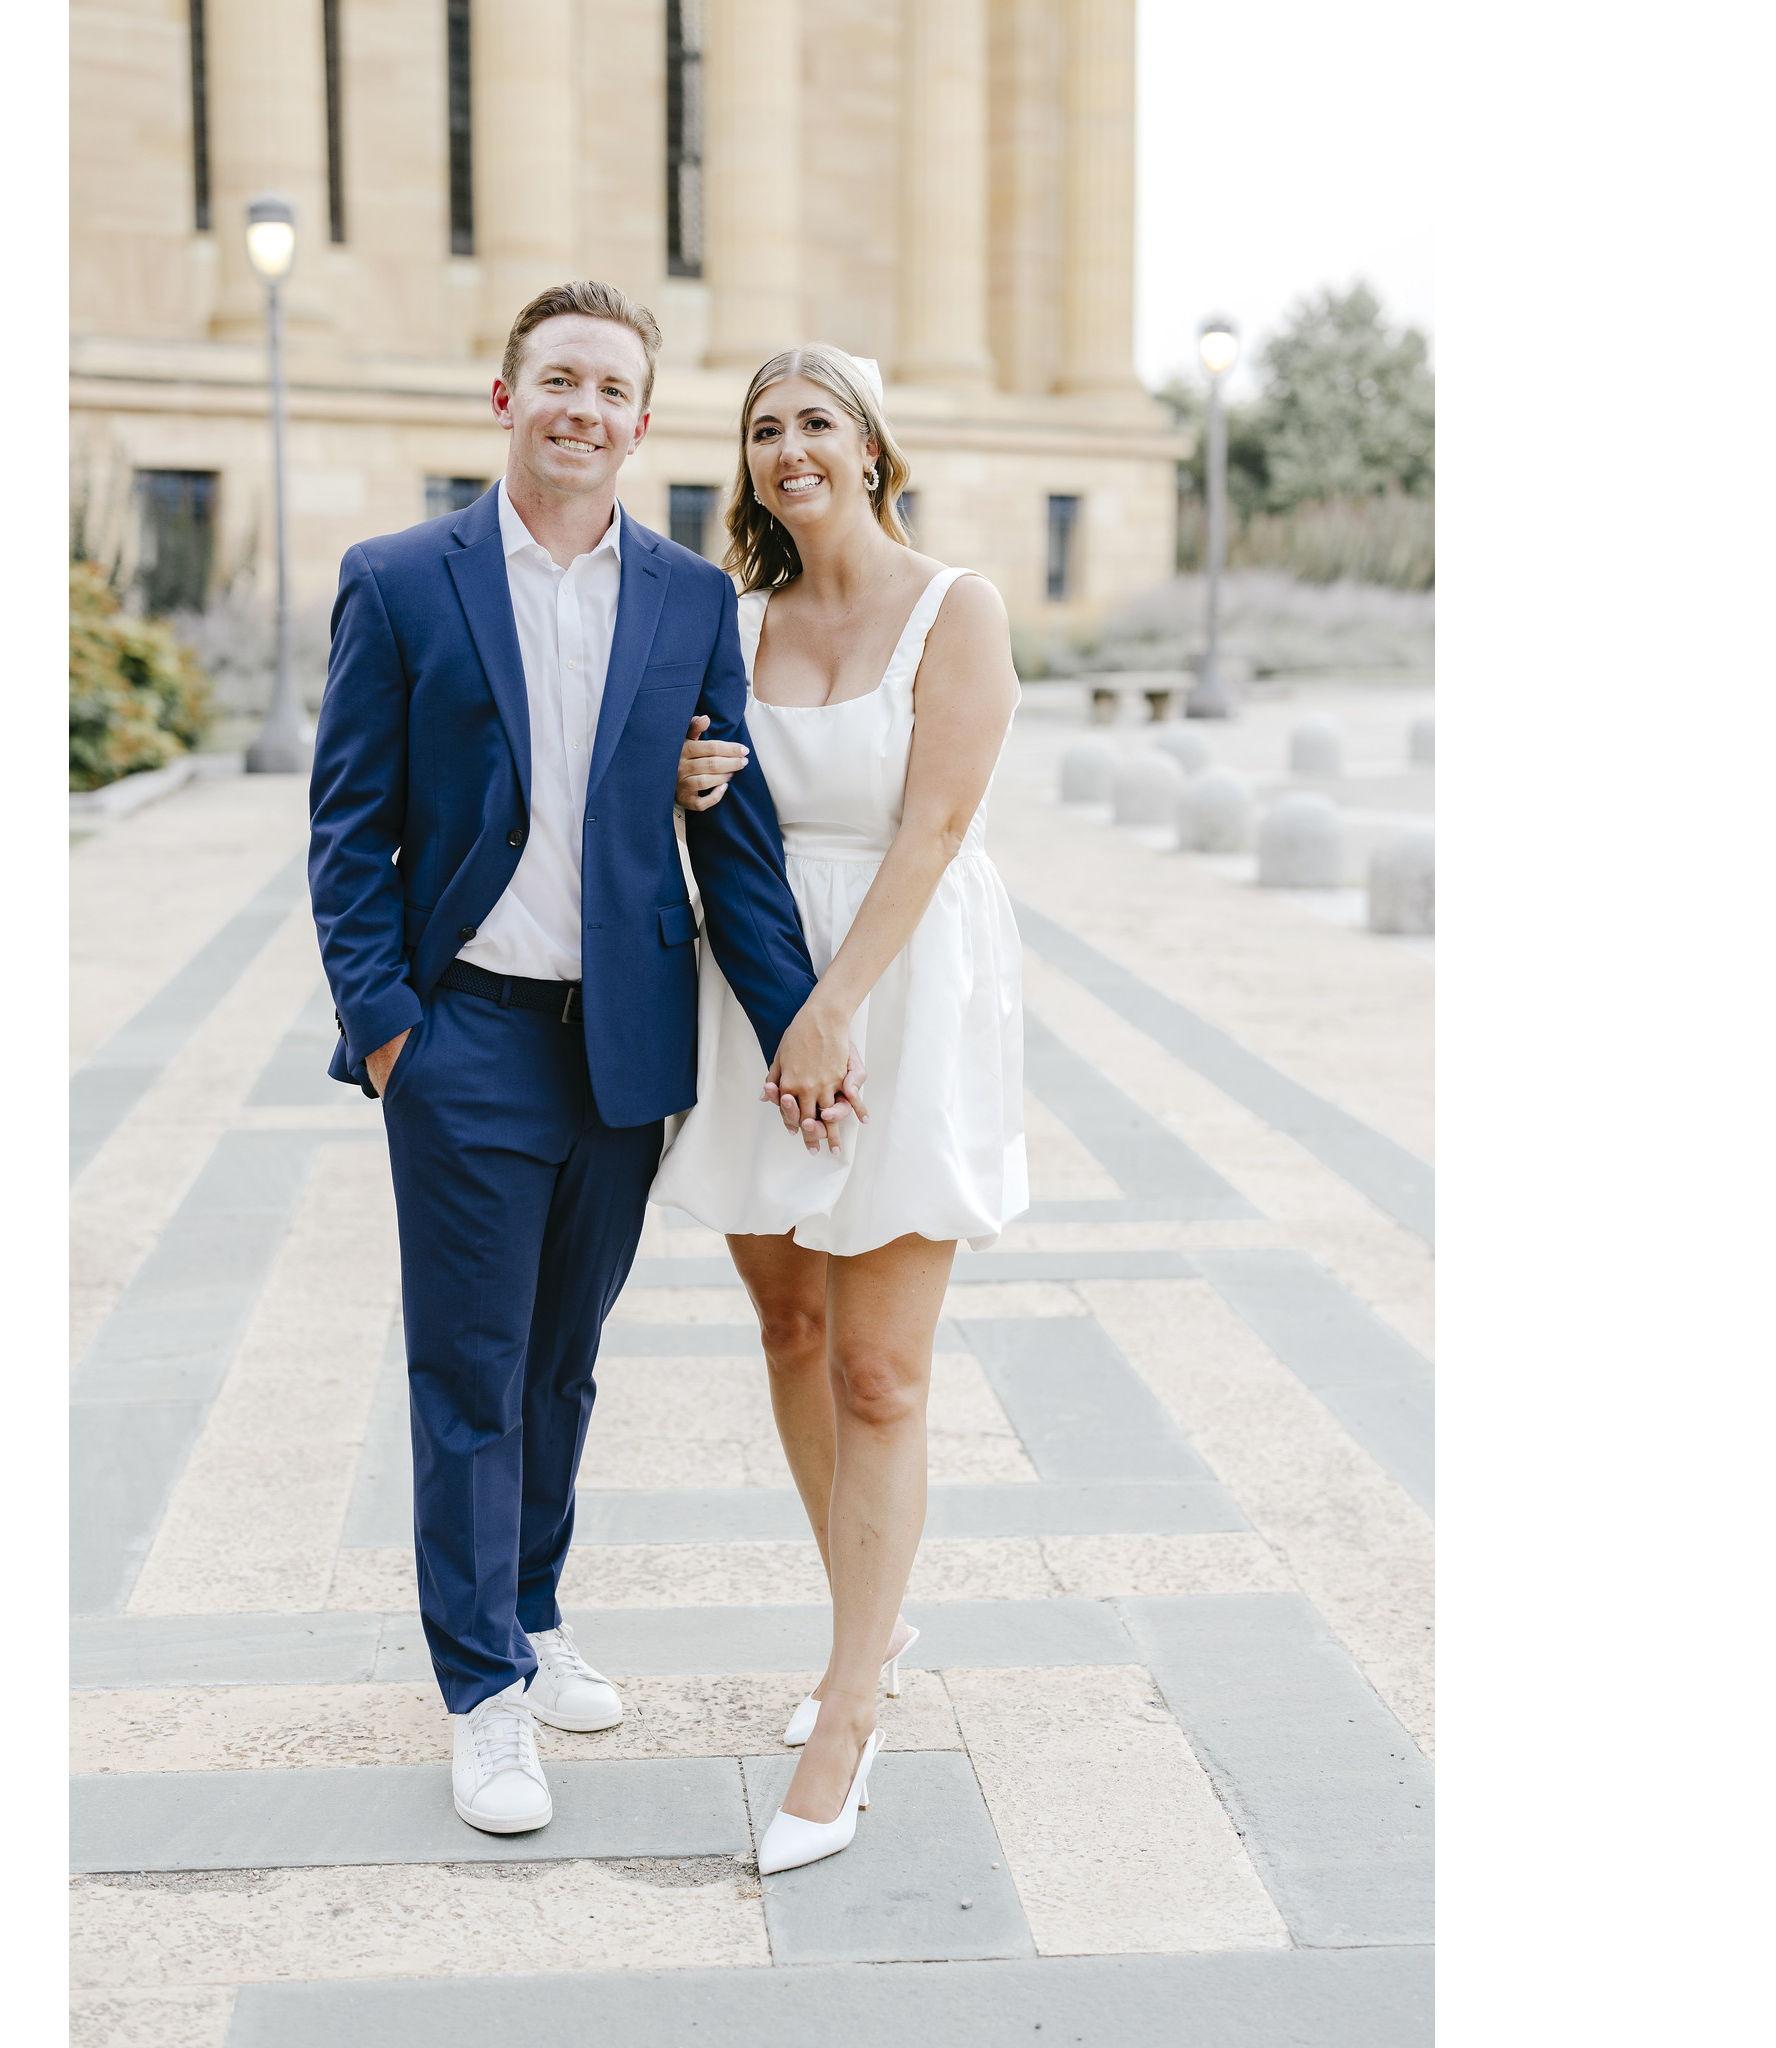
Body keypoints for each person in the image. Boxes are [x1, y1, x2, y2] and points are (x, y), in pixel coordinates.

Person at [306, 282, 858, 1836]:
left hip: (621, 1046)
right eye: (559, 379)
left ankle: (533, 1613)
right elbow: (347, 831)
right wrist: (390, 1034)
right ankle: (480, 1690)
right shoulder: (400, 580)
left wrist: (798, 1022)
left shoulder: (688, 601)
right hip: (463, 1035)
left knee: (561, 1361)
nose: (583, 409)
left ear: (642, 421)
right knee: (469, 1369)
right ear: (508, 399)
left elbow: (733, 842)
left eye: (612, 389)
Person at [653, 344, 1027, 1875]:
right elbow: (691, 801)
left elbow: (936, 828)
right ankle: (866, 1622)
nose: (789, 447)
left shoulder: (957, 607)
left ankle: (851, 1706)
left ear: (872, 447)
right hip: (753, 985)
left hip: (899, 984)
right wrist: (683, 779)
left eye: (816, 422)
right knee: (789, 1327)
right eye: (764, 428)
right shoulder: (728, 618)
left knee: (880, 1371)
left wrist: (832, 1009)